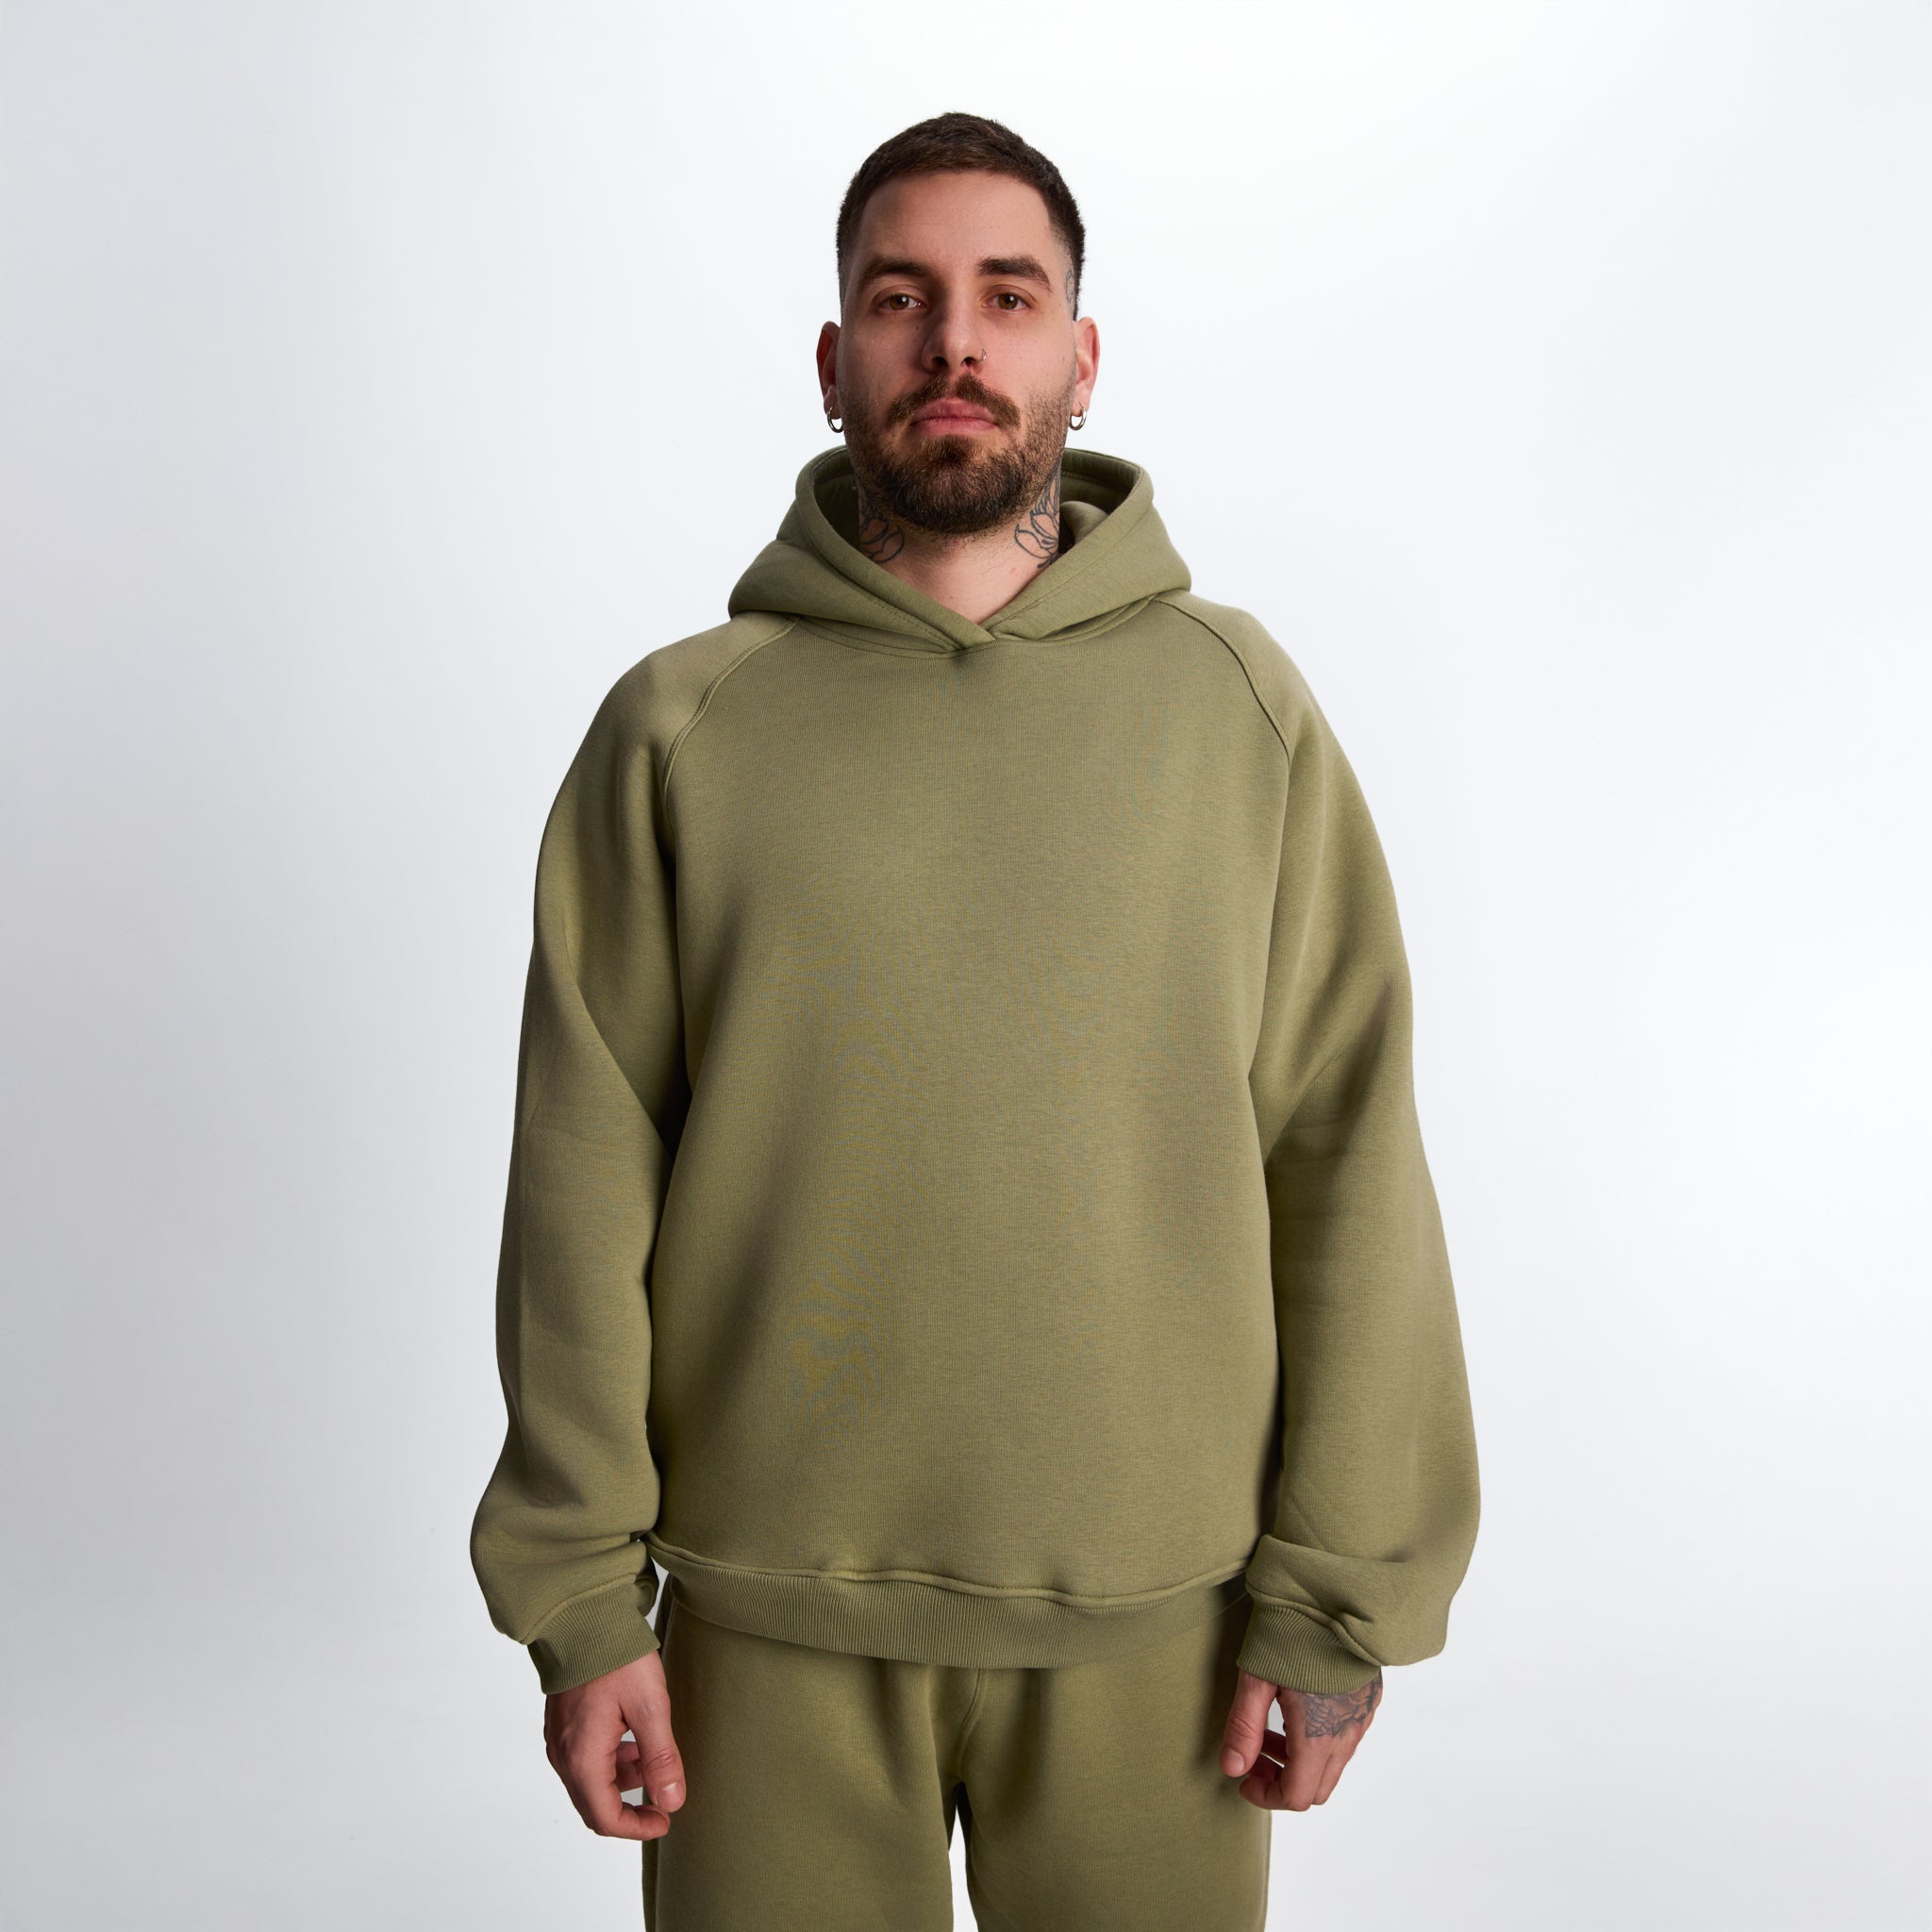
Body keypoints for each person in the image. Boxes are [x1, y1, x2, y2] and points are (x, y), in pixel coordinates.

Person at [470, 110, 1480, 1931]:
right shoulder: (682, 730)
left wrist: (1339, 1595)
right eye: (901, 298)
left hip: (1161, 1630)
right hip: (761, 1617)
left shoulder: (1238, 713)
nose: (955, 342)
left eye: (1008, 298)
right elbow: (581, 1181)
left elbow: (1344, 1151)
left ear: (1080, 359)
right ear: (833, 359)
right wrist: (583, 1605)